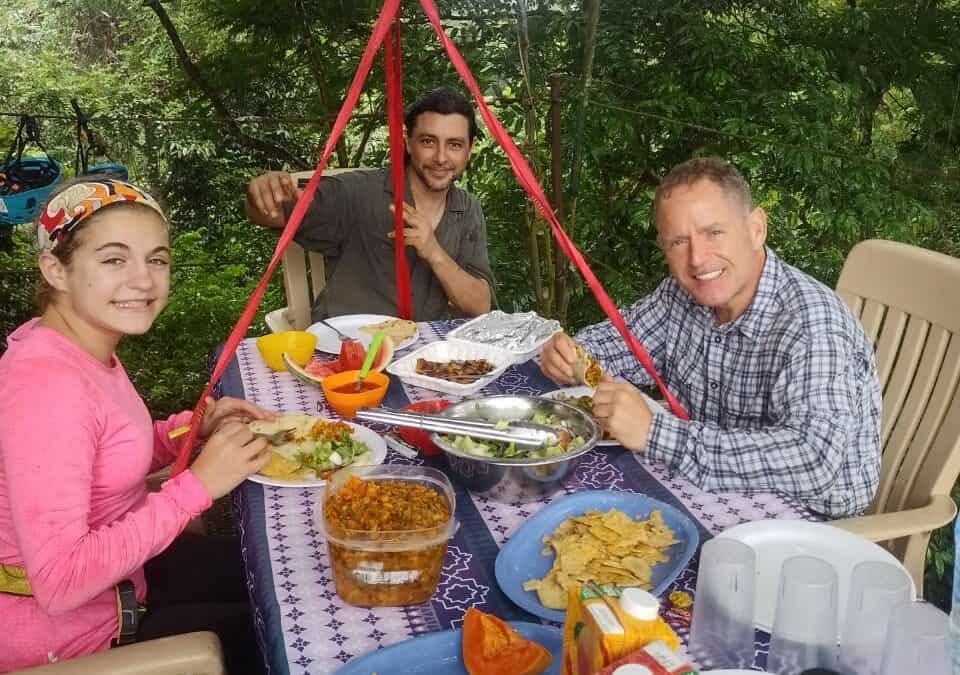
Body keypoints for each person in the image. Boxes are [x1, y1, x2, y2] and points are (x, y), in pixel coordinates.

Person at [0, 178, 274, 673]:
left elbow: (108, 452)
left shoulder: (78, 345)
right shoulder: (47, 387)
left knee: (283, 573)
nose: (144, 281)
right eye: (113, 259)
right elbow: (60, 582)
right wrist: (198, 486)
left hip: (127, 578)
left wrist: (193, 429)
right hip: (81, 642)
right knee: (283, 634)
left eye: (157, 259)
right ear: (54, 270)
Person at [540, 158, 881, 517]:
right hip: (706, 493)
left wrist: (657, 434)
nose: (698, 258)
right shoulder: (681, 295)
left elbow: (814, 461)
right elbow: (617, 345)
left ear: (756, 229)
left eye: (714, 232)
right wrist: (571, 354)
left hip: (810, 525)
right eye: (678, 242)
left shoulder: (812, 323)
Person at [245, 86, 495, 321]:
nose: (441, 157)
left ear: (470, 148)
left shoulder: (467, 208)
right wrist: (262, 193)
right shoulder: (357, 192)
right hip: (345, 352)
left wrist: (433, 252)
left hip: (423, 358)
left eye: (454, 145)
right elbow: (271, 213)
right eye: (428, 141)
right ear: (408, 142)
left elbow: (480, 305)